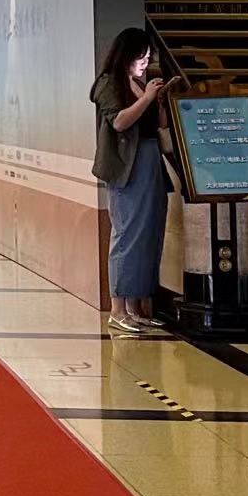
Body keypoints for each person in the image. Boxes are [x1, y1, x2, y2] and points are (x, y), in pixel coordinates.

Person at [91, 27, 172, 338]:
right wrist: (147, 97)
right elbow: (120, 121)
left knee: (149, 233)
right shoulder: (109, 83)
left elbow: (160, 125)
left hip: (151, 161)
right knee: (127, 234)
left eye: (149, 57)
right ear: (126, 54)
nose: (146, 62)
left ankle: (137, 308)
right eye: (142, 56)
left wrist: (158, 102)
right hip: (128, 166)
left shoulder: (139, 84)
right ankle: (118, 309)